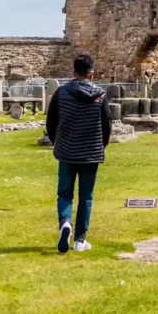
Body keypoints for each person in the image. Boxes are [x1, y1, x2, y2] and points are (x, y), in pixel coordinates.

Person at [46, 53, 112, 253]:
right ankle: (80, 239)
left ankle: (65, 223)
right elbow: (107, 124)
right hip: (90, 152)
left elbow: (51, 122)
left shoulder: (61, 93)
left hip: (66, 151)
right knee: (86, 196)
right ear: (91, 74)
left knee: (64, 193)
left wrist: (57, 142)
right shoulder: (100, 95)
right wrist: (101, 145)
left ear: (73, 72)